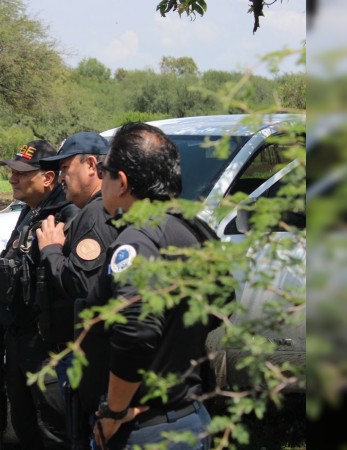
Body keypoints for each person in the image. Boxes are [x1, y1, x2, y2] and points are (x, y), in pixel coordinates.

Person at [88, 122, 213, 450]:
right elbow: (221, 304)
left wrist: (113, 412)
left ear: (123, 182)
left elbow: (136, 332)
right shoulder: (194, 228)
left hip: (146, 429)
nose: (101, 179)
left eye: (104, 170)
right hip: (189, 415)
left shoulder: (138, 239)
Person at [35, 132, 121, 450]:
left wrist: (52, 251)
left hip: (91, 355)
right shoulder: (97, 210)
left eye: (65, 168)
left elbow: (84, 286)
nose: (60, 178)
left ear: (90, 164)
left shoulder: (94, 215)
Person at [0, 140, 79, 449]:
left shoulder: (66, 214)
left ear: (48, 178)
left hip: (48, 346)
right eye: (12, 172)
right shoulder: (31, 212)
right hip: (18, 339)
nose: (13, 179)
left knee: (53, 430)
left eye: (22, 173)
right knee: (25, 426)